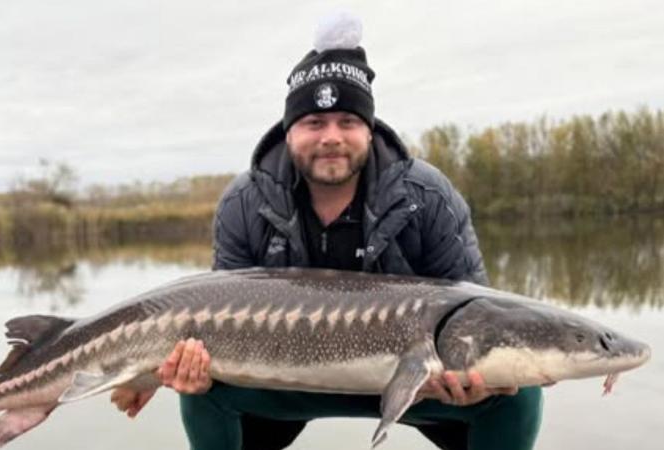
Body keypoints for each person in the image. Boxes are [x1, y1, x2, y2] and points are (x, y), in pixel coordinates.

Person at [112, 12, 543, 450]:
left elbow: (476, 314)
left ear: (369, 131)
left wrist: (473, 377)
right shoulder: (243, 203)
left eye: (348, 121)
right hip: (285, 385)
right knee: (203, 391)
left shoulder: (429, 196)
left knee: (518, 393)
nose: (331, 137)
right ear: (289, 131)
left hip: (420, 384)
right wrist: (163, 369)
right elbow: (212, 311)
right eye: (314, 123)